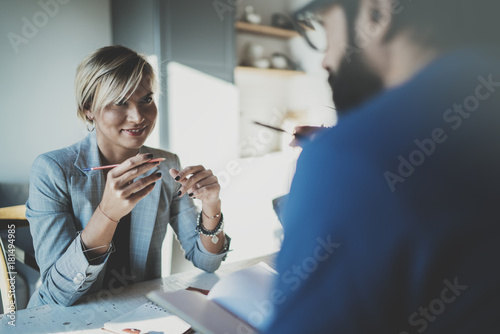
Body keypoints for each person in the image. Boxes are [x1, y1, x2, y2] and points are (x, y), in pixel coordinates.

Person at [264, 0, 500, 332]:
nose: (325, 58)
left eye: (324, 29)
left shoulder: (349, 160)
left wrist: (342, 155)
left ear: (377, 13)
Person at [26, 45, 230, 307]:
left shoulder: (166, 164)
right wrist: (107, 214)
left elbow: (208, 261)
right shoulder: (52, 170)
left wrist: (212, 205)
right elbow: (58, 294)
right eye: (120, 102)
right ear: (89, 108)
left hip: (137, 314)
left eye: (146, 99)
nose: (137, 117)